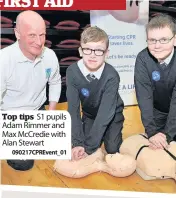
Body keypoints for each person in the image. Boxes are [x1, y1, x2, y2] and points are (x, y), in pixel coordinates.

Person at [0, 11, 61, 170]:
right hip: (11, 116)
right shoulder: (4, 61)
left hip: (37, 110)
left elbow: (55, 82)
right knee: (24, 163)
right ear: (17, 34)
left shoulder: (50, 56)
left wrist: (52, 112)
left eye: (42, 35)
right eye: (32, 35)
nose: (39, 41)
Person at [66, 26, 124, 161]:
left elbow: (105, 114)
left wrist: (89, 148)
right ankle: (97, 134)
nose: (92, 55)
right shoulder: (72, 72)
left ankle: (110, 132)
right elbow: (73, 109)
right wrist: (77, 143)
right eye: (87, 49)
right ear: (80, 51)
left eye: (98, 50)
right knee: (82, 142)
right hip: (90, 114)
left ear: (107, 53)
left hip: (112, 114)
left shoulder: (112, 75)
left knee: (112, 148)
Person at [134, 14, 176, 150]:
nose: (157, 46)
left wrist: (167, 134)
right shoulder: (142, 59)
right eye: (152, 40)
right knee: (155, 141)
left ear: (175, 39)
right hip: (158, 110)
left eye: (164, 40)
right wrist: (152, 131)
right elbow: (144, 97)